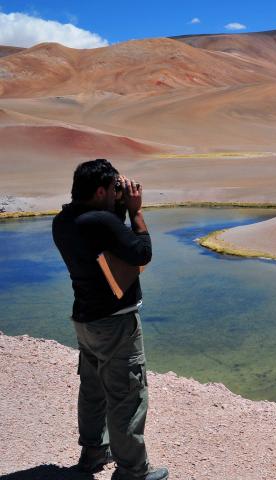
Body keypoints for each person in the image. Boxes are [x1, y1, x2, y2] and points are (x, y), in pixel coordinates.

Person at [52, 159, 168, 480]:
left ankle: (92, 452)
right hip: (116, 323)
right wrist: (136, 212)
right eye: (115, 188)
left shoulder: (64, 220)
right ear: (101, 190)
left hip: (86, 321)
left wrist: (116, 206)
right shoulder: (102, 222)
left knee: (92, 389)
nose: (120, 192)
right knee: (127, 396)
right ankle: (132, 471)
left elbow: (106, 236)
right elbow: (141, 252)